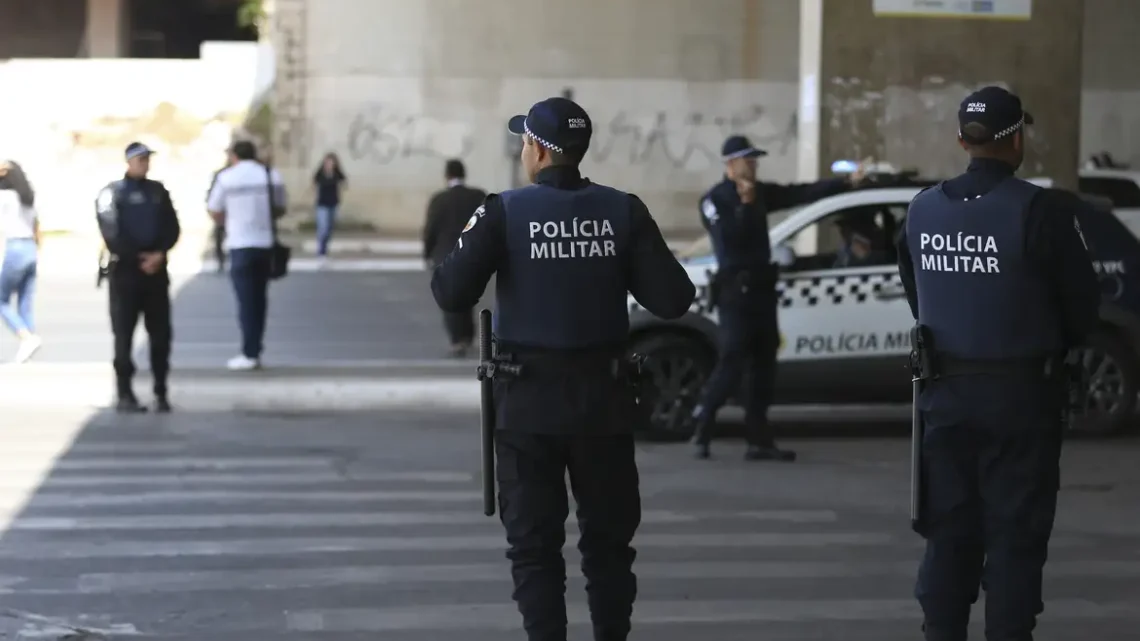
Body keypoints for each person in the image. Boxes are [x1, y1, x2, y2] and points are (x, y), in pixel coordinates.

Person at [430, 96, 695, 641]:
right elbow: (674, 299)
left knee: (533, 547)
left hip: (527, 407)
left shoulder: (504, 209)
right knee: (609, 547)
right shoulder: (624, 209)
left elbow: (451, 291)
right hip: (605, 404)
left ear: (537, 150)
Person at [896, 85, 1100, 641]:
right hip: (1021, 400)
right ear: (1016, 141)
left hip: (944, 399)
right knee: (1014, 538)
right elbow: (1083, 309)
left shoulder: (921, 210)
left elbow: (919, 296)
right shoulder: (1041, 211)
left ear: (963, 139)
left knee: (949, 535)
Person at [688, 135, 868, 461]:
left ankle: (759, 440)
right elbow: (728, 239)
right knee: (732, 359)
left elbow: (801, 193)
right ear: (730, 164)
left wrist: (845, 185)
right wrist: (744, 206)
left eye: (755, 159)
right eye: (747, 159)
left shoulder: (761, 194)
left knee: (763, 366)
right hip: (735, 294)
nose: (753, 165)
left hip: (761, 292)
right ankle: (703, 422)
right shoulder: (715, 200)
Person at [95, 142, 181, 412]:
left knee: (161, 336)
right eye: (140, 159)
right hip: (126, 274)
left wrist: (159, 254)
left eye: (147, 159)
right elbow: (111, 232)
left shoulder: (158, 191)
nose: (145, 164)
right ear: (129, 162)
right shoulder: (112, 193)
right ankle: (124, 393)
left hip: (155, 273)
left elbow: (172, 226)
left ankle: (161, 391)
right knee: (123, 335)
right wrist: (137, 257)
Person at [207, 140, 286, 371]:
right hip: (264, 244)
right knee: (260, 300)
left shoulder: (226, 178)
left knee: (245, 302)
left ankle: (248, 352)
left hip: (240, 245)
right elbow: (280, 207)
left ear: (234, 156)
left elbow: (214, 209)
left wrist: (229, 221)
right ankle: (255, 349)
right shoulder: (270, 175)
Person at [422, 158, 487, 356]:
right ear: (463, 174)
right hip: (473, 253)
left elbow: (430, 230)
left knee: (450, 299)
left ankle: (458, 339)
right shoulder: (478, 196)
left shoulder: (438, 200)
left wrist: (427, 253)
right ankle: (468, 335)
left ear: (447, 176)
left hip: (445, 255)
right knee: (468, 295)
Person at [0, 160, 41, 363]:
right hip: (30, 248)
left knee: (1, 300)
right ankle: (28, 344)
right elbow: (37, 227)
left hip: (15, 247)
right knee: (25, 301)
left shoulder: (5, 197)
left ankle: (26, 337)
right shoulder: (27, 199)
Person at [312, 152, 346, 262]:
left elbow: (344, 181)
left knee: (330, 229)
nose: (329, 164)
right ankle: (321, 252)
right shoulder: (320, 173)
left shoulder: (336, 173)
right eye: (327, 162)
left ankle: (324, 250)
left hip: (333, 204)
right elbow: (315, 181)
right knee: (323, 228)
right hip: (322, 204)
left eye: (331, 162)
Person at [208, 154, 236, 273]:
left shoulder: (233, 174)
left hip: (233, 211)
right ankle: (220, 260)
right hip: (223, 210)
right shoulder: (221, 174)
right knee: (219, 235)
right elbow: (212, 193)